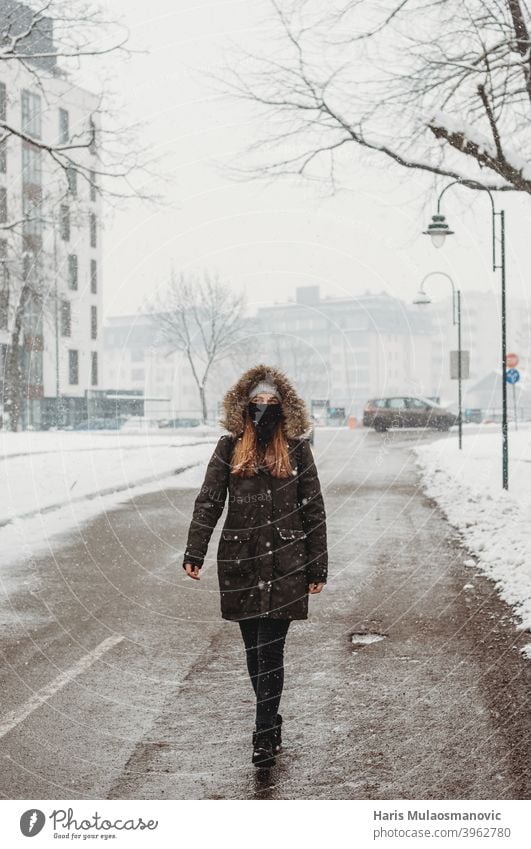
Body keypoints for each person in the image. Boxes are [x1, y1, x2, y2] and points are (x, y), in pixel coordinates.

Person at [182, 364, 328, 767]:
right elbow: (209, 500)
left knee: (271, 650)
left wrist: (317, 567)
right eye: (257, 402)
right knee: (253, 651)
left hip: (286, 562)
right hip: (241, 561)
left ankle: (263, 732)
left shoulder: (297, 448)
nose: (264, 409)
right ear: (244, 407)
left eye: (272, 403)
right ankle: (271, 718)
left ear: (285, 408)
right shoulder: (228, 447)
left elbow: (313, 509)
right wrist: (195, 551)